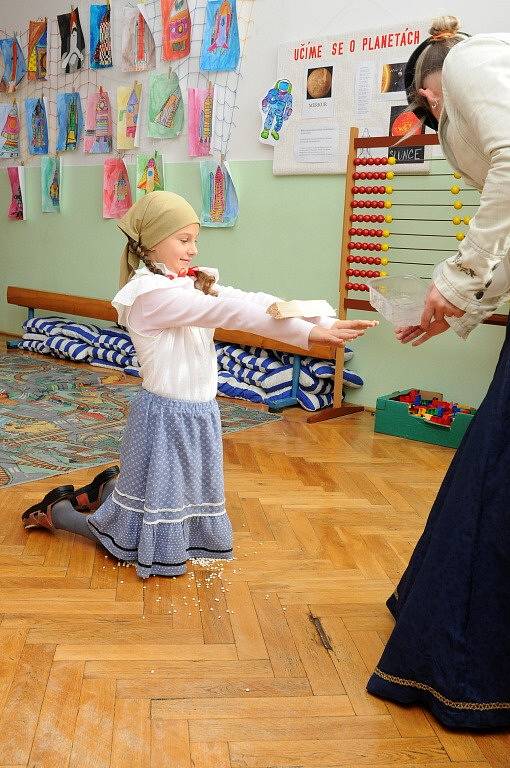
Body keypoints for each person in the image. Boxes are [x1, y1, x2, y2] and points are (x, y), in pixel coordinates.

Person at [22, 191, 376, 579]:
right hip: (165, 418)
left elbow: (250, 299)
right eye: (184, 239)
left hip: (199, 413)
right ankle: (60, 511)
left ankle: (108, 487)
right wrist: (308, 335)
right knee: (124, 540)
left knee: (169, 502)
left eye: (196, 239)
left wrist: (320, 323)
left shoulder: (181, 283)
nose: (193, 249)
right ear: (153, 240)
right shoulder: (151, 296)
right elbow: (231, 312)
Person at [366, 16, 510, 729]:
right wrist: (453, 308)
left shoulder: (467, 66)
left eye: (425, 113)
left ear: (428, 87)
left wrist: (454, 283)